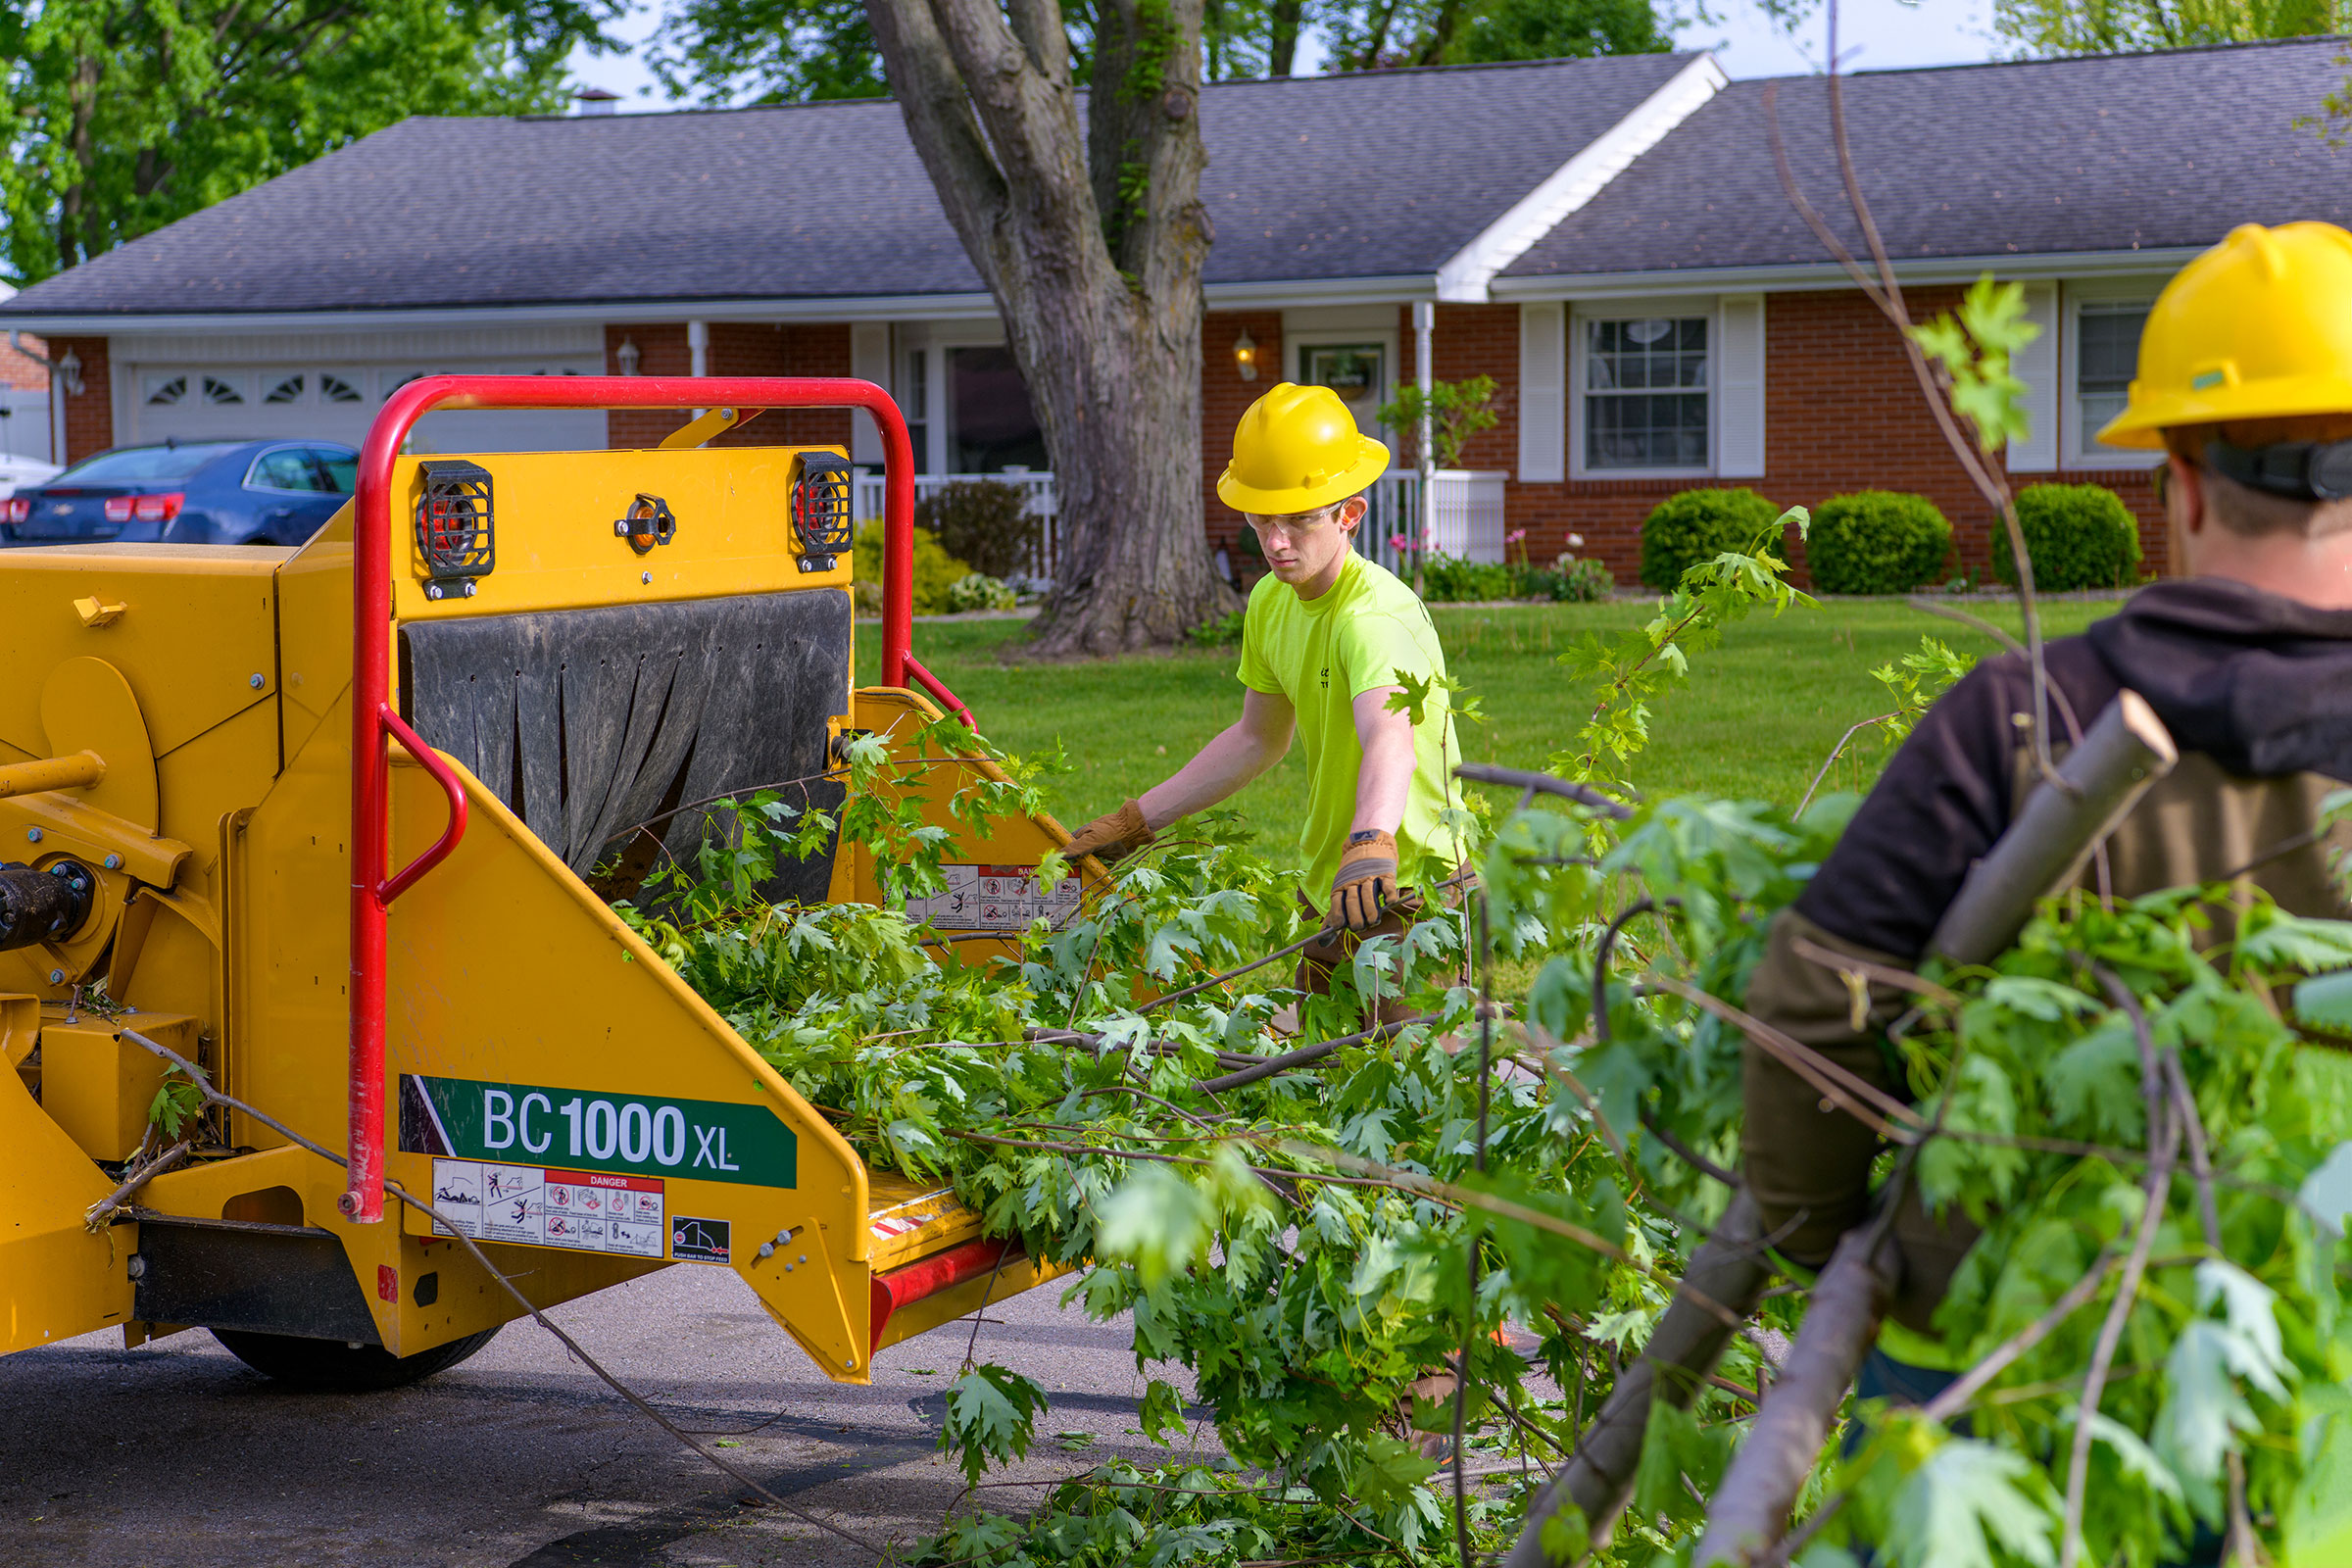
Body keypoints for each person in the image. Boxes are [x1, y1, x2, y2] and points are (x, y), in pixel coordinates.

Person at [1742, 220, 2352, 1386]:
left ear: (2179, 475)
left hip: (2024, 1363)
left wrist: (1843, 1257)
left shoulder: (2023, 721)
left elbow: (1816, 1016)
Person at [1061, 381, 1470, 1010]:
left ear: (1348, 514)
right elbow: (1257, 738)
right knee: (1323, 1075)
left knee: (1429, 1077)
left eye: (1300, 520)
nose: (1277, 542)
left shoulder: (1375, 617)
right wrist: (1137, 822)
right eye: (1262, 520)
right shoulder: (1271, 601)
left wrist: (1369, 845)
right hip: (1331, 885)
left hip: (1407, 887)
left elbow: (1390, 738)